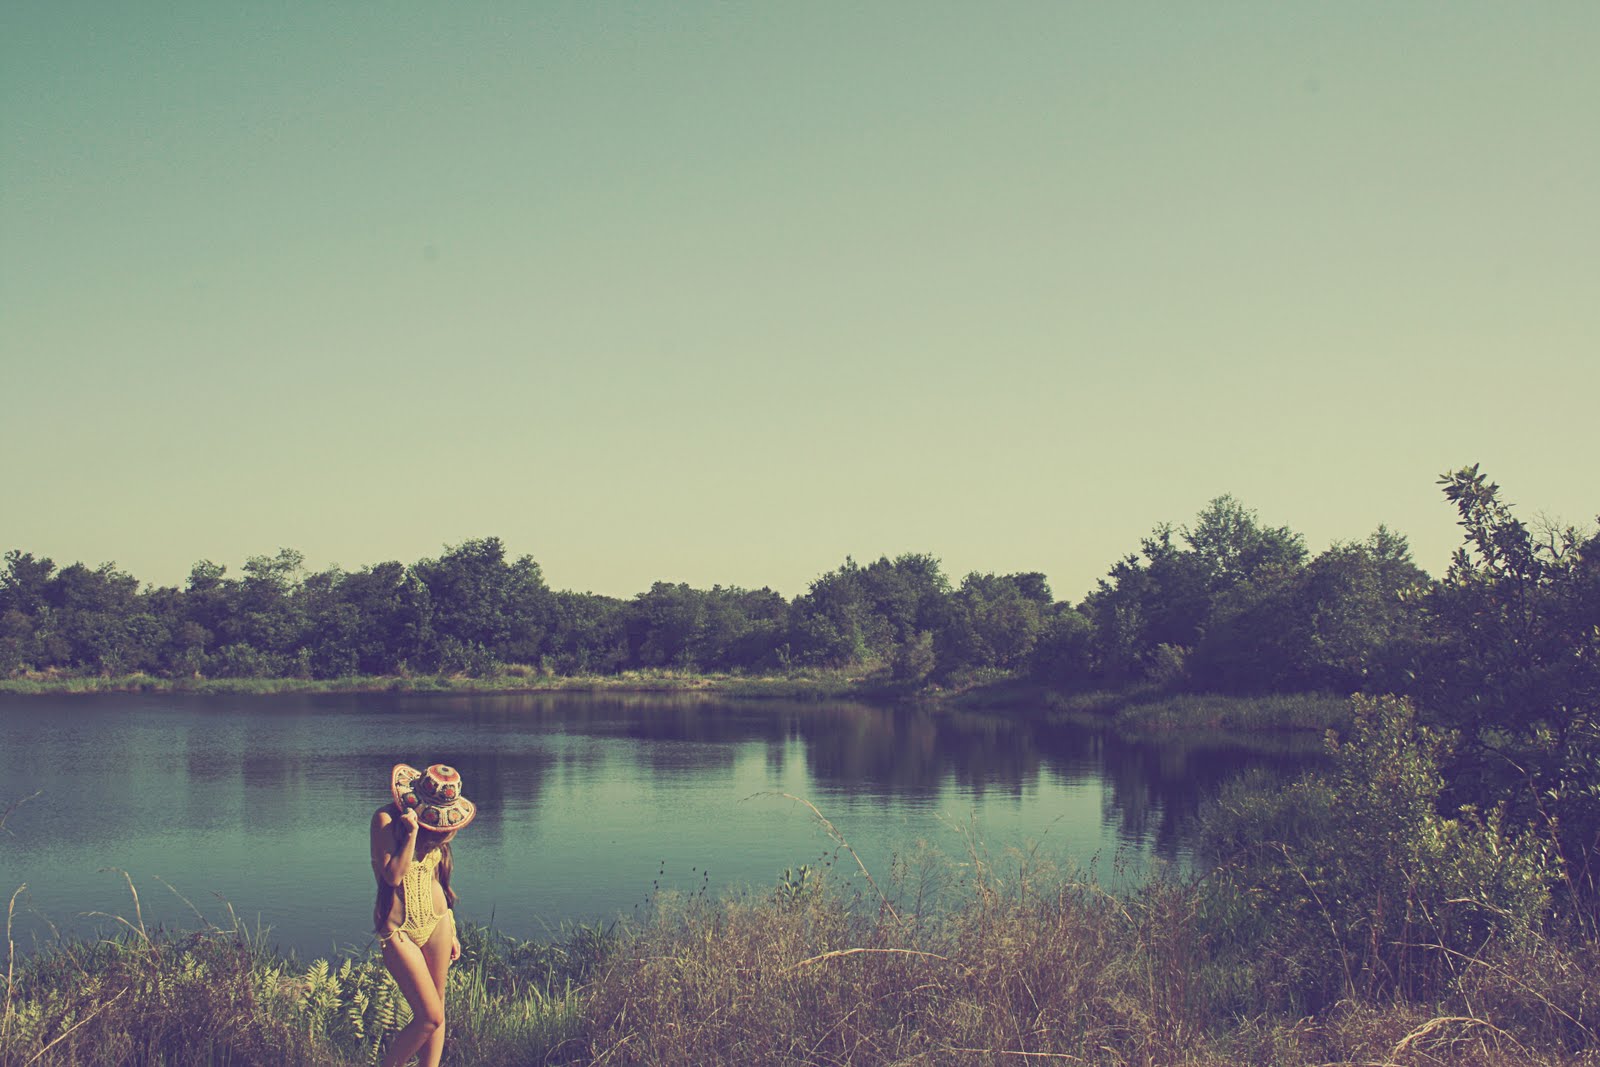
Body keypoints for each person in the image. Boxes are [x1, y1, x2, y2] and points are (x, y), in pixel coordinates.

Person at [370, 762, 477, 1067]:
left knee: (439, 1009)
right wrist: (412, 834)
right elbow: (392, 876)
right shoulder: (386, 819)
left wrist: (451, 928)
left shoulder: (440, 825)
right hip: (399, 930)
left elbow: (439, 877)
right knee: (429, 1017)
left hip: (437, 921)